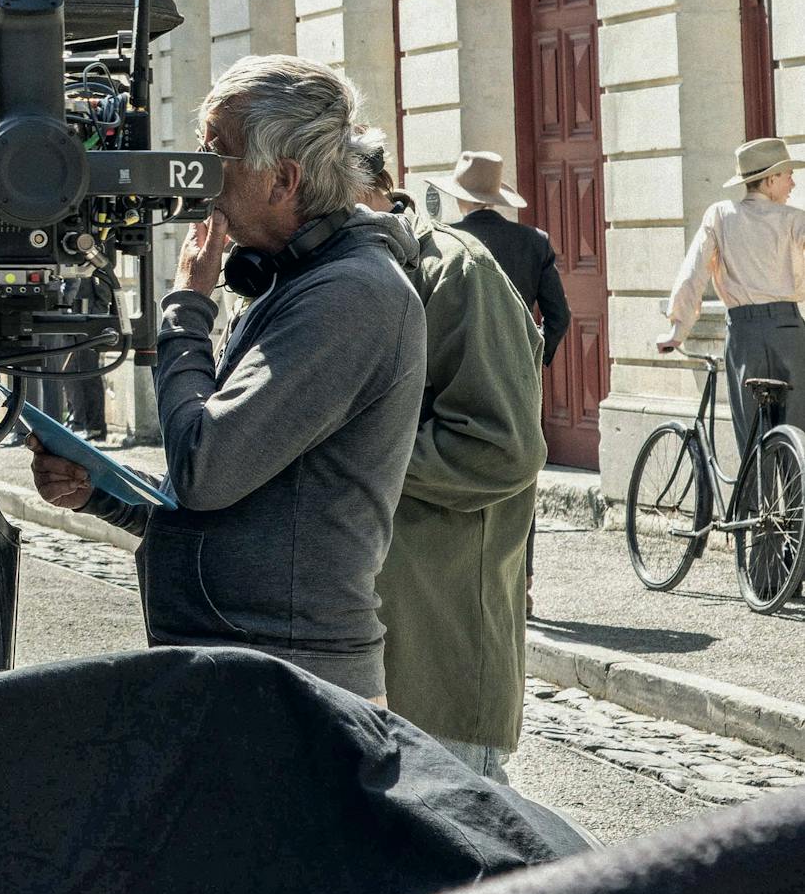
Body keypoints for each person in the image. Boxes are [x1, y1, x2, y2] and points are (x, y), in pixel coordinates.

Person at [31, 55, 426, 702]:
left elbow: (206, 471)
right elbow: (242, 495)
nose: (197, 176)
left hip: (289, 679)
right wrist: (97, 491)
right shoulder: (295, 280)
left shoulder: (350, 296)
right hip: (242, 662)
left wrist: (187, 307)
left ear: (282, 180)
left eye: (217, 155)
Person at [352, 131, 547, 779]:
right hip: (362, 658)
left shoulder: (455, 266)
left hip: (439, 666)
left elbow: (500, 448)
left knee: (473, 868)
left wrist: (351, 446)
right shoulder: (328, 269)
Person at [659, 138, 805, 452]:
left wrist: (678, 329)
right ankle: (798, 500)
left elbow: (693, 272)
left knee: (751, 437)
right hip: (789, 332)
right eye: (787, 175)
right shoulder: (795, 219)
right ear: (769, 180)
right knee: (798, 437)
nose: (793, 182)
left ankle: (753, 502)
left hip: (744, 333)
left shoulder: (721, 215)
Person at [425, 151, 569, 371]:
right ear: (495, 197)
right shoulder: (534, 241)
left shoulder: (444, 239)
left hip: (460, 371)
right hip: (518, 368)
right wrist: (533, 355)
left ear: (459, 196)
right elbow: (559, 316)